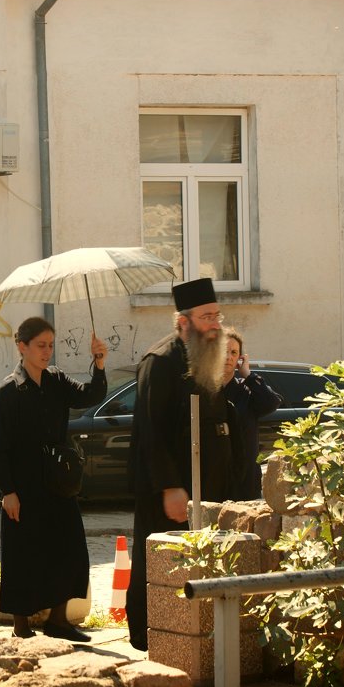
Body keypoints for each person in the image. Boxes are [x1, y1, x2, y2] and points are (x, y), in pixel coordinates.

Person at [126, 277, 236, 651]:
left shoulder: (203, 355)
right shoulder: (160, 361)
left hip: (204, 483)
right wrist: (171, 486)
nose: (215, 324)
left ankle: (194, 633)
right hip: (170, 488)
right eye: (207, 317)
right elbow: (150, 432)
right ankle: (148, 634)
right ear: (184, 321)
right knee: (158, 560)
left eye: (217, 315)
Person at [0, 317, 107, 640]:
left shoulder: (56, 380)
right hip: (23, 484)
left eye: (51, 346)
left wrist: (98, 363)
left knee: (69, 549)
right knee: (23, 553)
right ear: (22, 346)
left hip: (58, 480)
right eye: (41, 345)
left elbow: (90, 394)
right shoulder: (8, 390)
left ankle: (58, 620)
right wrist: (7, 491)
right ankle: (21, 625)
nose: (47, 352)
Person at [223, 328, 282, 501]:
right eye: (223, 351)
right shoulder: (205, 391)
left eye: (234, 352)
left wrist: (247, 374)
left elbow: (271, 403)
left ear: (239, 359)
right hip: (214, 477)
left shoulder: (247, 389)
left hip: (245, 479)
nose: (228, 357)